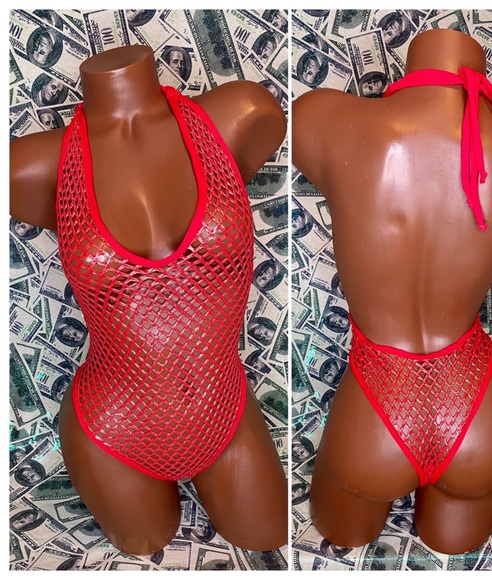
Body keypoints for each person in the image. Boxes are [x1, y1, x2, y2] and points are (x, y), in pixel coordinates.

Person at [293, 28, 492, 555]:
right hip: (483, 411)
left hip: (375, 406)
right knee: (452, 543)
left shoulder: (321, 117)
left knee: (342, 531)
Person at [10, 44, 287, 555]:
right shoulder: (28, 166)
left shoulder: (241, 114)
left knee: (267, 534)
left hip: (223, 406)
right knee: (145, 546)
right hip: (113, 425)